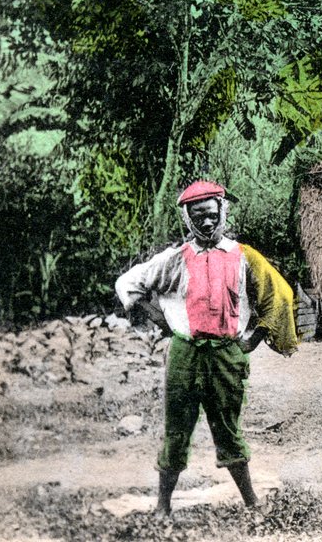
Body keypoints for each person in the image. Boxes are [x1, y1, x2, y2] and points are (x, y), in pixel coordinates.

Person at [115, 180, 300, 515]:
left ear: (222, 213)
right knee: (177, 430)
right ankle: (162, 508)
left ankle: (252, 503)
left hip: (227, 354)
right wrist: (162, 321)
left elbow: (280, 296)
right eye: (198, 217)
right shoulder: (175, 258)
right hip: (185, 354)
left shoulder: (243, 256)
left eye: (212, 215)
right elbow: (129, 284)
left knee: (228, 428)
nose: (207, 223)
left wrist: (253, 340)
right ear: (189, 219)